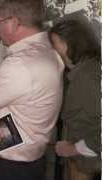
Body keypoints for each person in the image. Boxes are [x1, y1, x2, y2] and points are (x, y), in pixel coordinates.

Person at [0, 0, 65, 179]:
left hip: (7, 166)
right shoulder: (50, 52)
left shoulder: (19, 64)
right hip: (33, 160)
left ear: (13, 22)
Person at [49, 19, 101, 180]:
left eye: (54, 43)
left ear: (66, 44)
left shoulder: (87, 77)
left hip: (85, 163)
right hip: (77, 160)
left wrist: (73, 149)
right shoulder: (80, 71)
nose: (53, 48)